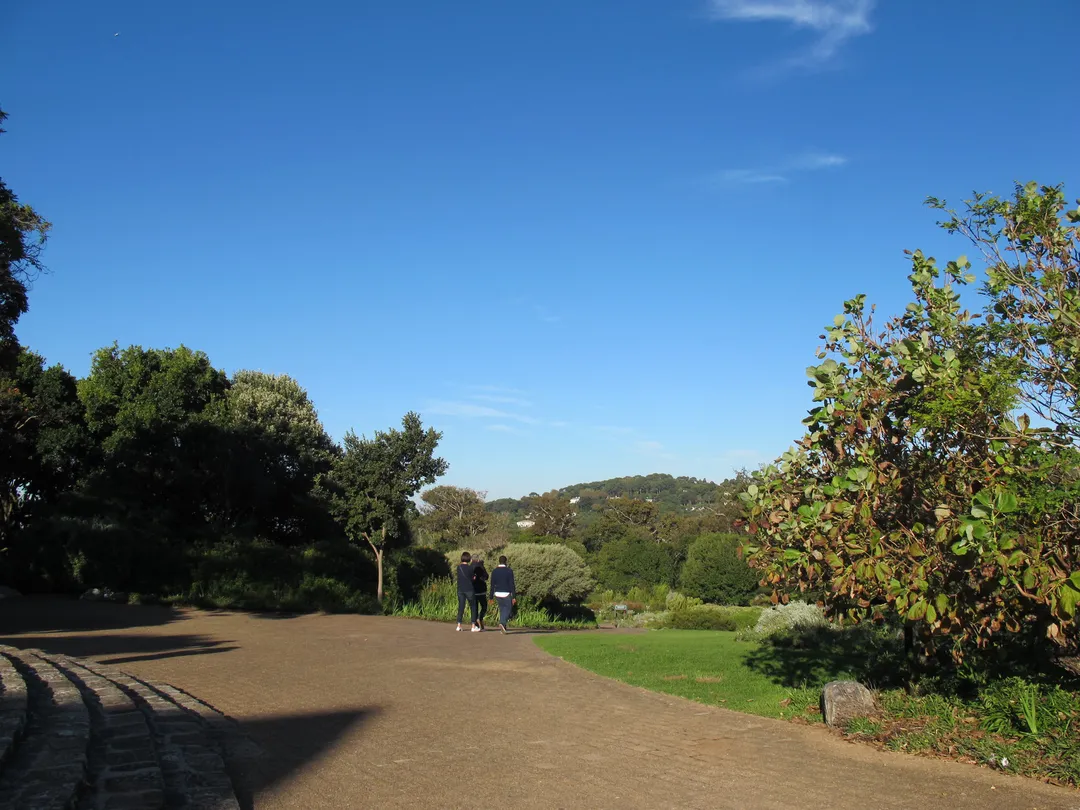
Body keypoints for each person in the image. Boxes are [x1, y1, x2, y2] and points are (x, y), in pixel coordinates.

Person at [488, 555, 516, 634]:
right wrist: (513, 596)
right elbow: (511, 584)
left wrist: (491, 597)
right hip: (506, 593)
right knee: (508, 609)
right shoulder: (509, 571)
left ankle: (503, 628)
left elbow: (492, 585)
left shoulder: (494, 571)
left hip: (497, 593)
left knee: (502, 609)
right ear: (506, 561)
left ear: (499, 561)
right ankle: (502, 622)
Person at [455, 552, 480, 632]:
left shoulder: (459, 568)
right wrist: (474, 577)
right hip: (469, 589)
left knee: (461, 607)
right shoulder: (470, 568)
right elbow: (472, 578)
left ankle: (458, 625)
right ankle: (473, 626)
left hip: (460, 589)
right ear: (469, 559)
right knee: (473, 606)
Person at [472, 559, 489, 631]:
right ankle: (480, 618)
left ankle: (476, 624)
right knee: (484, 606)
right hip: (481, 590)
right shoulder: (481, 567)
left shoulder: (470, 567)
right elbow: (486, 576)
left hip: (473, 590)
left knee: (474, 608)